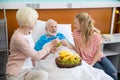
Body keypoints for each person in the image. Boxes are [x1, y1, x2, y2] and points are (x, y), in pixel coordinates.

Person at [6, 7, 58, 80]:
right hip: (16, 73)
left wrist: (49, 51)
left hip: (27, 72)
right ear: (28, 22)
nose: (36, 22)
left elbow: (33, 53)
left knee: (43, 74)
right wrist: (50, 45)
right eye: (34, 20)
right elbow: (36, 56)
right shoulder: (18, 38)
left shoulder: (29, 33)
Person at [73, 12, 118, 80]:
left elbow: (98, 53)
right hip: (87, 59)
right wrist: (81, 62)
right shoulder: (75, 33)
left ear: (82, 24)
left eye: (76, 23)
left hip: (98, 57)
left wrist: (92, 64)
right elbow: (78, 50)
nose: (74, 25)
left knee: (113, 72)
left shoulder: (95, 36)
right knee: (103, 73)